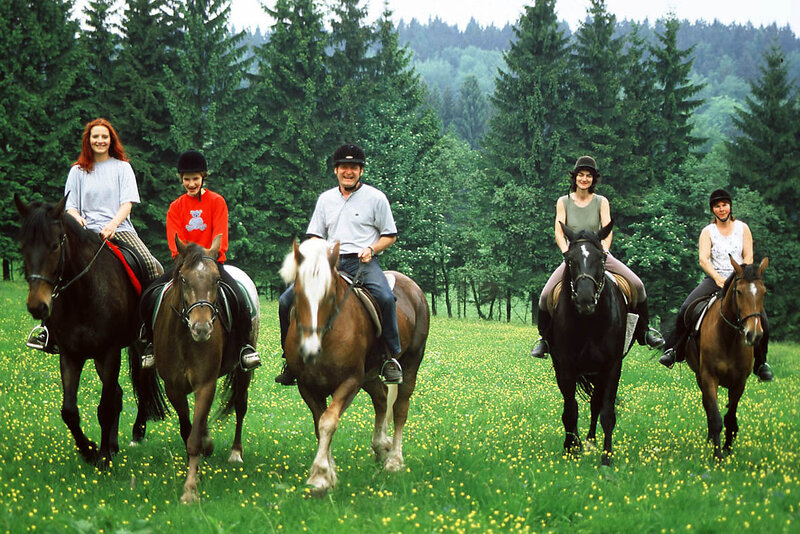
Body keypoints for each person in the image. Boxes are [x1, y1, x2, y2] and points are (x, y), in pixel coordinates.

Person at [27, 118, 163, 352]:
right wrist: (76, 217)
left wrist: (112, 225)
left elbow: (127, 204)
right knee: (57, 267)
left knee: (154, 267)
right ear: (88, 141)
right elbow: (70, 206)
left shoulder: (122, 168)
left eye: (104, 136)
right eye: (95, 137)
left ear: (111, 140)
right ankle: (48, 331)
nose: (100, 140)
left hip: (119, 230)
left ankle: (148, 331)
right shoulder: (77, 171)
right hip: (83, 232)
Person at [274, 143, 403, 385]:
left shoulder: (376, 198)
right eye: (344, 167)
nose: (348, 171)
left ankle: (390, 357)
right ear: (336, 170)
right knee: (285, 300)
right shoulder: (325, 200)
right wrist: (317, 253)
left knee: (385, 298)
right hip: (327, 263)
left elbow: (390, 235)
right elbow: (315, 235)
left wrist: (372, 249)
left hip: (361, 262)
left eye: (354, 167)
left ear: (361, 171)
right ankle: (289, 358)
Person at [529, 155, 664, 359]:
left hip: (598, 254)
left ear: (594, 179)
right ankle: (544, 340)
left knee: (637, 285)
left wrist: (603, 252)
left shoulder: (601, 201)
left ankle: (644, 332)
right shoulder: (563, 201)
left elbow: (607, 229)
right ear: (574, 178)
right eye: (581, 175)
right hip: (574, 256)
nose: (584, 179)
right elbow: (558, 230)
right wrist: (566, 252)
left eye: (588, 176)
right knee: (546, 295)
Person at [139, 150, 261, 371]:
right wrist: (186, 258)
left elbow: (220, 236)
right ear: (181, 179)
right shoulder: (176, 206)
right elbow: (174, 240)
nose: (191, 183)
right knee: (151, 294)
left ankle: (245, 347)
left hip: (212, 264)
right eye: (187, 179)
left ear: (203, 177)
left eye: (195, 178)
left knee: (238, 296)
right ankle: (149, 342)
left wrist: (209, 254)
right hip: (185, 265)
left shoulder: (217, 202)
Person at [659, 189, 773, 381]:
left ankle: (761, 363)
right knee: (686, 308)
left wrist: (740, 275)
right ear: (713, 210)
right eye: (717, 206)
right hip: (715, 279)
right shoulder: (708, 231)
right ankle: (674, 350)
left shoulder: (742, 228)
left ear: (730, 206)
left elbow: (749, 256)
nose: (721, 209)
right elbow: (703, 259)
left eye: (724, 205)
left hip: (740, 279)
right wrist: (718, 279)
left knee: (762, 319)